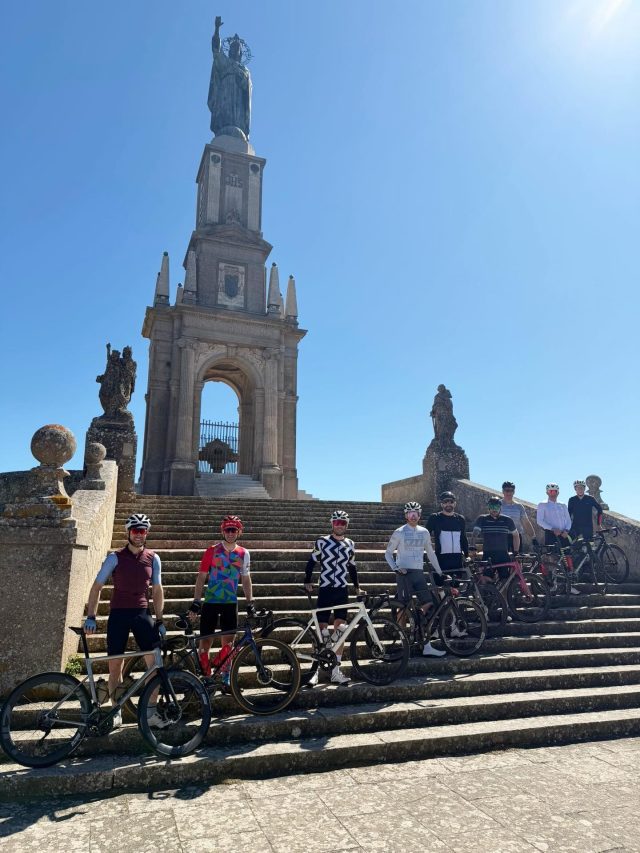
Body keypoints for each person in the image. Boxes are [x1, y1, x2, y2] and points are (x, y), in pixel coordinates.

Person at [84, 513, 166, 729]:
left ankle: (150, 713)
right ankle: (116, 710)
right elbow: (96, 587)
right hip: (118, 614)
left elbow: (157, 590)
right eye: (136, 531)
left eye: (143, 531)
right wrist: (91, 616)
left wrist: (159, 619)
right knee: (115, 667)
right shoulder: (115, 557)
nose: (140, 535)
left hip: (142, 613)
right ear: (129, 533)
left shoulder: (153, 558)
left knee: (154, 665)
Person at [188, 515, 254, 685]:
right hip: (210, 602)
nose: (230, 533)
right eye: (227, 530)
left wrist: (250, 602)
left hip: (230, 603)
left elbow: (246, 579)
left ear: (239, 532)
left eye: (234, 530)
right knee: (205, 644)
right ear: (222, 531)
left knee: (228, 645)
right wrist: (196, 601)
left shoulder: (243, 553)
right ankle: (206, 677)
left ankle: (225, 676)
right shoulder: (212, 550)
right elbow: (201, 577)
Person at [304, 510, 361, 686]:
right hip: (326, 588)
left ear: (347, 525)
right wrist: (308, 580)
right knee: (322, 631)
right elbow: (311, 562)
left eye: (343, 523)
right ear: (332, 524)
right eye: (337, 522)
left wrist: (357, 587)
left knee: (341, 630)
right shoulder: (322, 541)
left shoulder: (350, 544)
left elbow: (352, 568)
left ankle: (335, 671)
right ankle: (315, 671)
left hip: (341, 590)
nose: (339, 525)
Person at [385, 501, 445, 658]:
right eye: (410, 513)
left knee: (429, 604)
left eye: (416, 513)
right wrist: (396, 568)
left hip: (418, 572)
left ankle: (426, 644)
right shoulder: (399, 532)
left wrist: (440, 572)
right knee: (402, 607)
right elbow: (388, 553)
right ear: (405, 515)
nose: (413, 516)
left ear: (420, 515)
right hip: (404, 574)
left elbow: (431, 553)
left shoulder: (424, 532)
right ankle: (402, 641)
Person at [536, 484, 578, 595]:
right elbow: (540, 521)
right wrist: (552, 529)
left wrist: (567, 531)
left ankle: (570, 586)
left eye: (555, 491)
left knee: (567, 559)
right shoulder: (542, 505)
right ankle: (552, 585)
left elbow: (568, 520)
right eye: (551, 491)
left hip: (564, 535)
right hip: (551, 535)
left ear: (558, 492)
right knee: (552, 560)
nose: (553, 493)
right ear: (547, 493)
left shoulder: (563, 505)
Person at [472, 496, 520, 581]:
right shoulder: (482, 519)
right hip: (488, 555)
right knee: (485, 580)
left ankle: (502, 594)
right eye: (492, 506)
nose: (494, 509)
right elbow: (475, 534)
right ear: (488, 508)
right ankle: (490, 593)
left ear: (500, 507)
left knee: (505, 582)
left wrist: (516, 551)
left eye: (497, 507)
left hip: (503, 555)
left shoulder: (507, 520)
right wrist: (472, 547)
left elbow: (516, 535)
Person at [426, 491, 468, 573]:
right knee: (440, 584)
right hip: (441, 558)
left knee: (456, 585)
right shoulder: (435, 517)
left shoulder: (460, 519)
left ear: (455, 504)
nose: (448, 504)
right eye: (445, 502)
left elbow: (463, 537)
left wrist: (466, 554)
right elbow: (425, 535)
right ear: (441, 504)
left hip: (457, 558)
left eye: (451, 502)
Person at [500, 481, 535, 554]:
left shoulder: (519, 506)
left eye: (511, 490)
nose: (509, 493)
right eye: (507, 490)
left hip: (516, 537)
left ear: (514, 492)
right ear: (503, 491)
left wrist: (533, 537)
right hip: (502, 536)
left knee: (517, 561)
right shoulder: (498, 505)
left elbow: (526, 522)